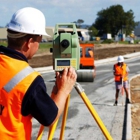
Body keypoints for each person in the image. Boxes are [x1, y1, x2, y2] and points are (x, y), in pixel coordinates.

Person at [0, 7, 77, 140]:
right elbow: (49, 117)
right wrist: (64, 91)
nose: (38, 46)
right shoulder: (29, 80)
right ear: (29, 43)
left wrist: (55, 95)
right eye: (39, 41)